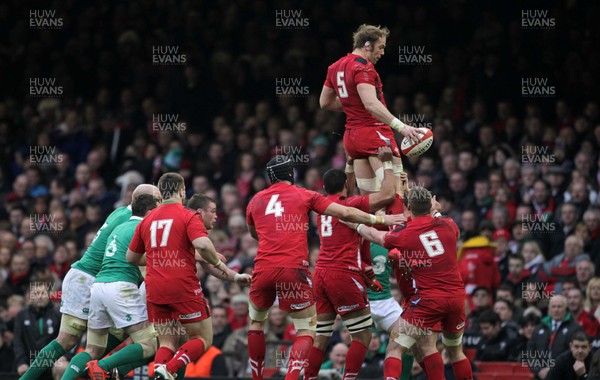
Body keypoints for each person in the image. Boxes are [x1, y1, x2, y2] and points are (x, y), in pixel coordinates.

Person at [245, 155, 403, 380]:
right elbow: (361, 206)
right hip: (329, 273)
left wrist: (349, 164)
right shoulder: (314, 198)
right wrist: (381, 220)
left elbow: (254, 234)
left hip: (294, 271)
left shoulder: (255, 200)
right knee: (355, 336)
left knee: (267, 325)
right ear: (292, 175)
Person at [20, 184, 161, 380]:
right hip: (90, 278)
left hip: (90, 278)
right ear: (146, 203)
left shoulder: (120, 212)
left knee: (98, 342)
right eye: (158, 200)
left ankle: (105, 370)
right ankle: (105, 368)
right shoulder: (134, 222)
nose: (161, 205)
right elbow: (138, 262)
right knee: (69, 340)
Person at [126, 173, 251, 380]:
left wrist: (161, 257)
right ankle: (169, 369)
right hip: (181, 287)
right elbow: (202, 244)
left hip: (155, 288)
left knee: (167, 342)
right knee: (202, 338)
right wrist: (217, 262)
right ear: (182, 191)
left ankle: (159, 372)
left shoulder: (148, 219)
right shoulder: (187, 215)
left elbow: (131, 257)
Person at [354, 186, 472, 380]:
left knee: (395, 348)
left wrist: (357, 224)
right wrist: (435, 210)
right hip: (456, 298)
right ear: (431, 204)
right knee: (455, 351)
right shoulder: (449, 224)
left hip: (428, 301)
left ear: (408, 207)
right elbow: (441, 221)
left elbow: (377, 236)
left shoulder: (405, 234)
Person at [304, 147, 399, 380]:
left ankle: (308, 377)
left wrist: (349, 166)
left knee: (321, 336)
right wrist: (387, 163)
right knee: (364, 336)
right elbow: (387, 194)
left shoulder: (324, 207)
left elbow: (345, 193)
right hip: (343, 275)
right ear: (345, 187)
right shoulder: (353, 204)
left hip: (321, 274)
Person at [60, 193, 161, 380]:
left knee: (92, 349)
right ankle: (103, 367)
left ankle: (100, 370)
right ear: (149, 211)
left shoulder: (119, 226)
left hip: (98, 288)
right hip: (121, 287)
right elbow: (148, 263)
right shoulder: (144, 228)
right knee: (150, 345)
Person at [319, 24, 424, 196]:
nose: (382, 53)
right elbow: (371, 104)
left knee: (371, 200)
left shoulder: (335, 67)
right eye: (380, 47)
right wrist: (402, 127)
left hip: (352, 137)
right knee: (396, 194)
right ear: (367, 46)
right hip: (374, 132)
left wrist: (352, 103)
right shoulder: (363, 67)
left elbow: (325, 103)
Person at [14, 281, 64, 380]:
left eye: (43, 293)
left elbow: (68, 337)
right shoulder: (22, 315)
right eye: (36, 294)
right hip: (29, 362)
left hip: (53, 362)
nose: (40, 297)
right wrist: (21, 362)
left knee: (62, 367)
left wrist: (65, 357)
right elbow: (18, 341)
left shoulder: (59, 314)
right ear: (29, 296)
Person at [527, 295, 583, 379]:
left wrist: (554, 370)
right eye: (553, 307)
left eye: (559, 306)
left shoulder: (575, 328)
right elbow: (530, 352)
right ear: (549, 308)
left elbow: (575, 352)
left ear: (565, 308)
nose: (556, 310)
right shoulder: (540, 327)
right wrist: (538, 370)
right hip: (540, 376)